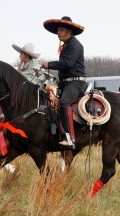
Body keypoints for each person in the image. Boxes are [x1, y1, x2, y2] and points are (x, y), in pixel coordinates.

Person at [41, 16, 87, 149]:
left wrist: (49, 64)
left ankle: (69, 138)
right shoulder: (67, 45)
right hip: (66, 83)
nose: (58, 33)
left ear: (69, 31)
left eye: (61, 30)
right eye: (58, 31)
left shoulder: (74, 44)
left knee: (64, 102)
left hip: (76, 84)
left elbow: (67, 63)